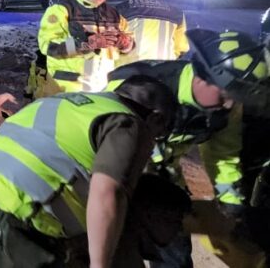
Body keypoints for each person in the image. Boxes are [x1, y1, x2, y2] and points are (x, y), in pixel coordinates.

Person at [0, 75, 178, 267]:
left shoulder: (72, 102)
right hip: (11, 210)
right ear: (156, 118)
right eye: (158, 135)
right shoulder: (129, 123)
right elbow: (108, 193)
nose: (152, 146)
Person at [107, 29, 270, 267]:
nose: (230, 104)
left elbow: (223, 155)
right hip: (112, 175)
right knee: (113, 250)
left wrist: (230, 201)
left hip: (166, 177)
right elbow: (105, 144)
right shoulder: (137, 88)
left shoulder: (228, 101)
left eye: (237, 97)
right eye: (226, 96)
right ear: (202, 77)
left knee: (175, 252)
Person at [37, 0, 134, 96]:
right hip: (67, 89)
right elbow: (48, 47)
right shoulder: (62, 10)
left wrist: (125, 44)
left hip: (103, 90)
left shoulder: (115, 15)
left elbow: (129, 50)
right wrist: (86, 44)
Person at [114, 0, 188, 66]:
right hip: (164, 72)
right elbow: (181, 48)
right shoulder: (176, 12)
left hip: (129, 71)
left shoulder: (118, 10)